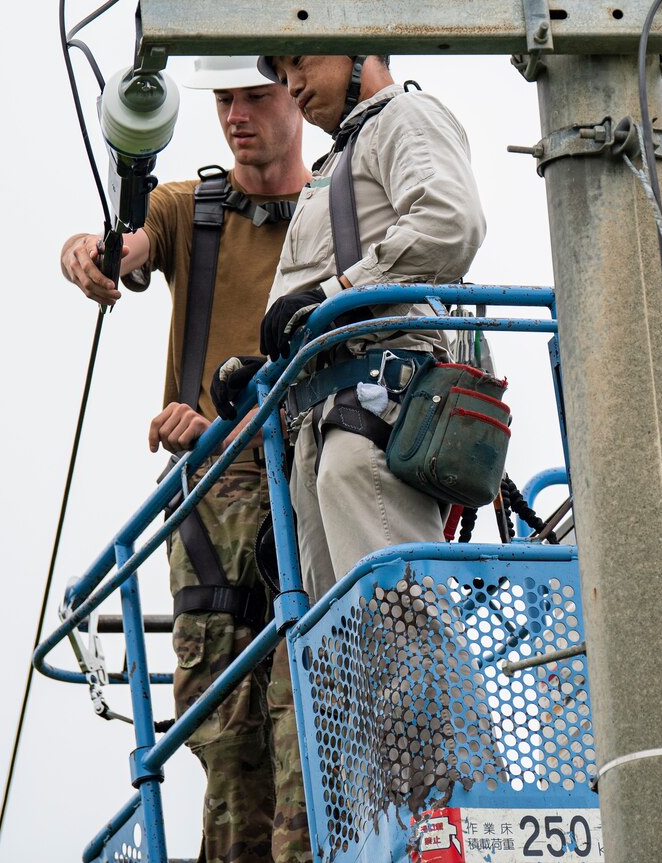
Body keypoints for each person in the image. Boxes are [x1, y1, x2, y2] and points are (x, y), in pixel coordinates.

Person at [58, 56, 311, 863]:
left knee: (308, 704)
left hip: (311, 481)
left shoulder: (337, 206)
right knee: (225, 724)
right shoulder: (190, 209)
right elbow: (124, 244)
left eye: (255, 96)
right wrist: (89, 255)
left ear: (297, 92)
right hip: (216, 504)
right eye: (224, 98)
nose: (236, 114)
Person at [250, 51, 486, 810]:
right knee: (340, 643)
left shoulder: (405, 118)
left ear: (361, 51)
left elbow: (451, 222)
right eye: (279, 69)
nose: (289, 84)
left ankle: (454, 798)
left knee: (399, 613)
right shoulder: (331, 168)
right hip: (321, 418)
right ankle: (380, 818)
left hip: (377, 398)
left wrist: (335, 292)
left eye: (300, 61)